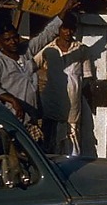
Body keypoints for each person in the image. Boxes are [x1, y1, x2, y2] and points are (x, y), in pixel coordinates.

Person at [0, 0, 78, 142]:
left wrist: (64, 10)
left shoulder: (25, 52)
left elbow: (47, 34)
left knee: (35, 158)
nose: (13, 42)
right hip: (10, 122)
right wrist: (12, 100)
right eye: (7, 40)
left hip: (30, 120)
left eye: (15, 37)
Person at [34, 12, 93, 156]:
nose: (68, 32)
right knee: (51, 141)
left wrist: (76, 90)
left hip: (73, 107)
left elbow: (86, 77)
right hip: (51, 104)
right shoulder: (48, 49)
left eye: (71, 29)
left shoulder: (82, 49)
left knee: (72, 140)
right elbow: (31, 67)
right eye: (64, 28)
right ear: (59, 29)